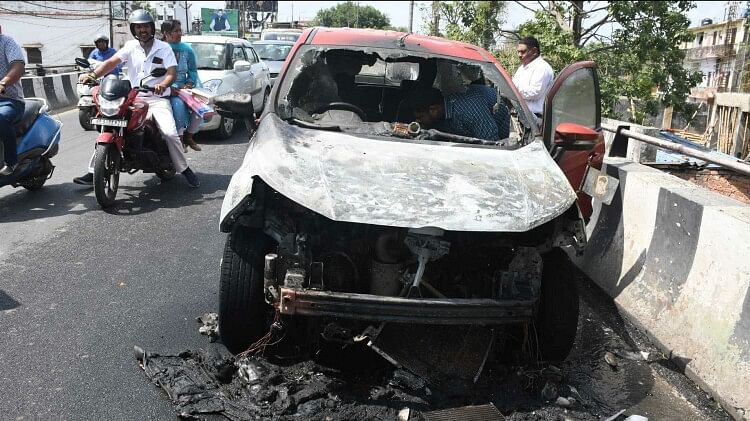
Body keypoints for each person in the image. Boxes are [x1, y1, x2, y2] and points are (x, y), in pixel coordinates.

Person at [73, 10, 200, 188]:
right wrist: (93, 74)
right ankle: (94, 170)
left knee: (170, 134)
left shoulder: (163, 48)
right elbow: (111, 63)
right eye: (138, 27)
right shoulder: (131, 46)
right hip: (134, 98)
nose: (143, 30)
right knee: (109, 123)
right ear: (134, 29)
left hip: (157, 99)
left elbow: (171, 73)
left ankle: (185, 169)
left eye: (146, 26)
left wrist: (163, 84)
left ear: (151, 28)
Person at [404, 85, 509, 141]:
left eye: (420, 117)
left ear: (433, 110)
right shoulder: (443, 113)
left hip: (503, 129)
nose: (418, 121)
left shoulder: (469, 111)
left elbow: (490, 143)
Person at [161, 20, 202, 152]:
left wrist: (189, 83)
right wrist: (168, 86)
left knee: (201, 108)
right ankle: (179, 140)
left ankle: (189, 136)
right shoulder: (159, 49)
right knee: (178, 106)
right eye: (176, 31)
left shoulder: (187, 49)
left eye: (180, 30)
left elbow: (192, 70)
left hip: (184, 88)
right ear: (166, 34)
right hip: (165, 89)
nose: (180, 33)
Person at [0, 30, 26, 176]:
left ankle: (11, 162)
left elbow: (18, 67)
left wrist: (3, 83)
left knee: (1, 117)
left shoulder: (7, 42)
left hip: (10, 101)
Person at [512, 36, 554, 122]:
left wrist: (513, 89)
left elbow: (534, 93)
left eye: (523, 52)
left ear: (534, 51)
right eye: (518, 52)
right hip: (522, 116)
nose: (519, 55)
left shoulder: (542, 68)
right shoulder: (522, 68)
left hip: (534, 119)